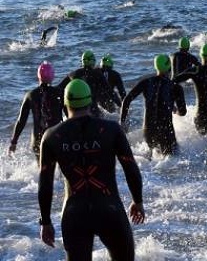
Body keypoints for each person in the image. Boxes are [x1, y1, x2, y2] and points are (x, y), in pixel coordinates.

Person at [38, 79, 145, 260]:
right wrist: (138, 201)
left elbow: (45, 183)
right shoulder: (111, 130)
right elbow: (130, 167)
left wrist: (46, 222)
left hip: (74, 214)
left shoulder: (51, 136)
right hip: (109, 209)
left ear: (65, 104)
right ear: (90, 102)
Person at [120, 55, 187, 157]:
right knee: (171, 162)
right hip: (166, 131)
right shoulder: (175, 87)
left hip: (148, 130)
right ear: (169, 67)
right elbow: (183, 112)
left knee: (151, 162)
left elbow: (127, 100)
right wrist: (175, 110)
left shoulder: (146, 82)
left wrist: (123, 123)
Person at [8, 61, 64, 161]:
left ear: (38, 76)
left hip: (38, 140)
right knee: (59, 169)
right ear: (52, 76)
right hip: (57, 137)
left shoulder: (30, 95)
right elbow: (70, 115)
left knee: (43, 170)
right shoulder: (59, 93)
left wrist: (14, 142)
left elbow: (21, 121)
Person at [59, 50, 120, 118]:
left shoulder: (74, 74)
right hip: (93, 110)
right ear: (93, 61)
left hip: (75, 112)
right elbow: (110, 92)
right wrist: (121, 104)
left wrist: (64, 111)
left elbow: (59, 89)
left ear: (82, 62)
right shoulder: (97, 74)